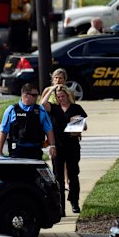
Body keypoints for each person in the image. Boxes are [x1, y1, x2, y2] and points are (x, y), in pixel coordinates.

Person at [41, 85, 87, 215]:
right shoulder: (54, 108)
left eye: (63, 96)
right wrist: (52, 88)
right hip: (58, 147)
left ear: (68, 95)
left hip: (72, 146)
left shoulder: (76, 108)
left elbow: (84, 125)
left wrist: (79, 127)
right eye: (59, 97)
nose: (61, 98)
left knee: (73, 175)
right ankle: (61, 207)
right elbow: (43, 103)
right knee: (58, 178)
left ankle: (74, 203)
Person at [0, 83, 57, 160]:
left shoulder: (40, 110)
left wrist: (52, 146)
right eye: (34, 95)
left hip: (35, 150)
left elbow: (49, 129)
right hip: (17, 149)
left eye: (37, 95)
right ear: (25, 95)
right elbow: (4, 131)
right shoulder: (12, 110)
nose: (37, 98)